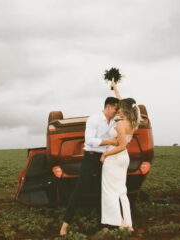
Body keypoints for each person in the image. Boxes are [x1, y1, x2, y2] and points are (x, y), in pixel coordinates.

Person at [59, 96, 120, 236]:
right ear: (109, 106)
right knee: (79, 190)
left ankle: (104, 224)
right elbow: (90, 140)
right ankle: (65, 224)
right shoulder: (94, 119)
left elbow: (128, 108)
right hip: (91, 157)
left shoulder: (114, 121)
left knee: (103, 191)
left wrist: (114, 86)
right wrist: (110, 141)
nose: (117, 111)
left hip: (105, 159)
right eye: (116, 108)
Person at [99, 81, 141, 232]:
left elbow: (121, 145)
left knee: (109, 191)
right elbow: (124, 145)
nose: (117, 109)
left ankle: (114, 223)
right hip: (123, 158)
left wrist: (105, 154)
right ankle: (126, 224)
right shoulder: (133, 122)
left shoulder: (122, 123)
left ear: (124, 110)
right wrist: (115, 88)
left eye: (119, 107)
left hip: (115, 157)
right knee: (121, 191)